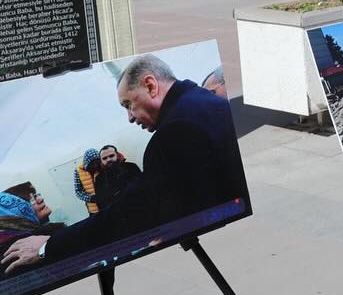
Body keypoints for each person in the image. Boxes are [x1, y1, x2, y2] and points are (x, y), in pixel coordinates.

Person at [3, 54, 251, 272]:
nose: (130, 117)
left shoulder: (174, 131)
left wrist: (48, 247)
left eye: (128, 105)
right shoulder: (206, 102)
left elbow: (130, 215)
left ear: (151, 86)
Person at [93, 144, 143, 211]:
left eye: (111, 156)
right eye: (104, 158)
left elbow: (142, 187)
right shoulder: (99, 179)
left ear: (117, 155)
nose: (108, 159)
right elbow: (101, 203)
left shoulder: (131, 167)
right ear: (101, 161)